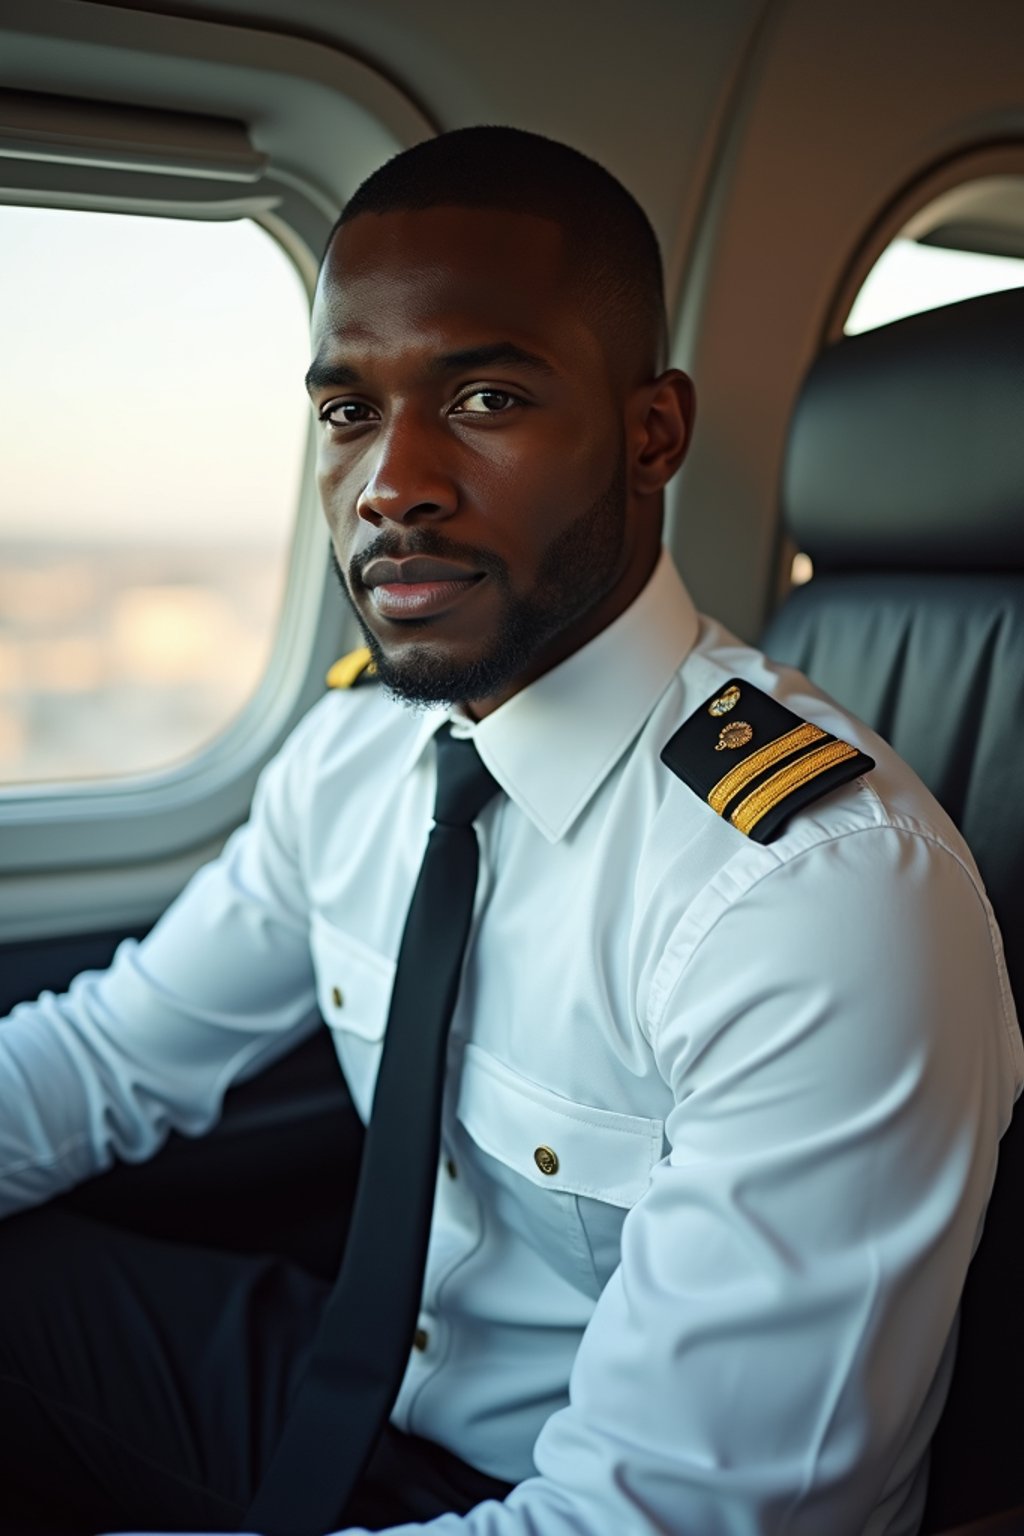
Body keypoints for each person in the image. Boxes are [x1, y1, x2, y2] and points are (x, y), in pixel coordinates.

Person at [0, 126, 1019, 1536]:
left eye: (482, 396)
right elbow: (112, 1057)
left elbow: (656, 1520)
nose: (391, 484)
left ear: (651, 433)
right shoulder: (359, 750)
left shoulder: (810, 892)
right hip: (357, 1401)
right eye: (349, 412)